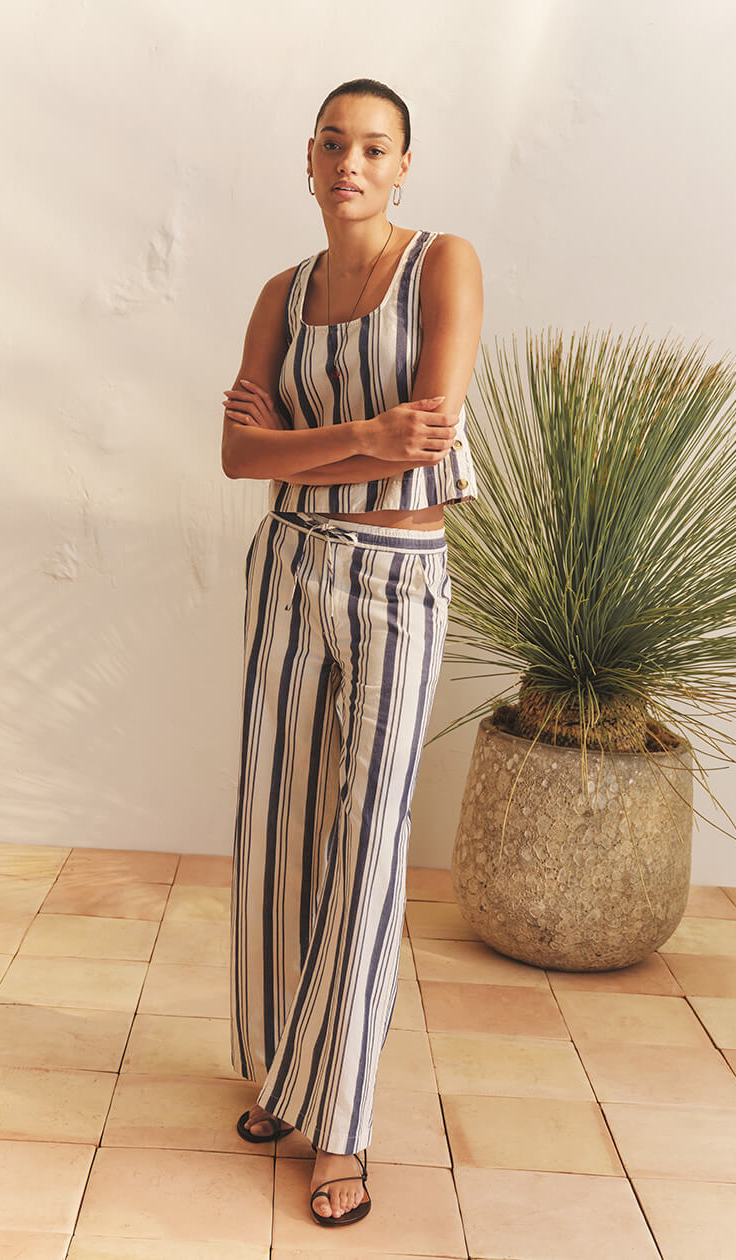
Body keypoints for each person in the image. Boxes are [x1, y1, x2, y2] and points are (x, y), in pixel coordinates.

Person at [221, 78, 482, 1228]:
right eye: (334, 144)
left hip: (396, 579)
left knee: (372, 846)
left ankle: (344, 1130)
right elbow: (237, 459)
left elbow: (427, 441)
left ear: (405, 163)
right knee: (277, 827)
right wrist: (366, 440)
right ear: (310, 158)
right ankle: (285, 1071)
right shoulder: (282, 293)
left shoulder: (445, 267)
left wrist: (314, 446)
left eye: (375, 146)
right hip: (286, 569)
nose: (351, 164)